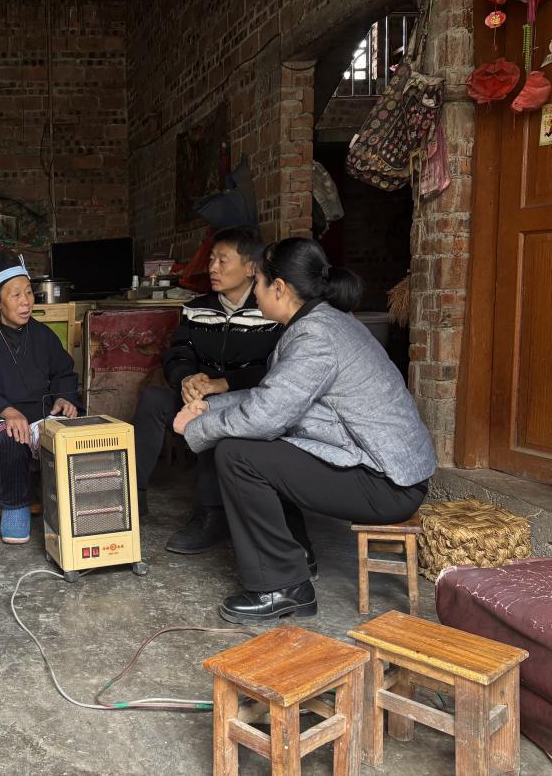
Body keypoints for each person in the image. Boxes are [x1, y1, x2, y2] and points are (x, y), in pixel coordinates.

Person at [173, 237, 435, 625]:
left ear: (279, 288)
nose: (255, 293)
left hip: (386, 483)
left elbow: (265, 416)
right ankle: (296, 555)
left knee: (238, 454)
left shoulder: (316, 336)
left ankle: (282, 586)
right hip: (379, 470)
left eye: (259, 283)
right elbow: (274, 397)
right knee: (257, 444)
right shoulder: (318, 323)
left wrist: (199, 426)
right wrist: (210, 407)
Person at [132, 226, 282, 553]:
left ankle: (211, 514)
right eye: (211, 259)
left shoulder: (270, 310)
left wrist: (225, 383)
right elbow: (178, 352)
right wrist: (186, 379)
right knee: (154, 400)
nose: (212, 267)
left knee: (217, 420)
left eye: (222, 260)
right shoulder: (197, 308)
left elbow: (276, 367)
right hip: (198, 395)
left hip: (245, 402)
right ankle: (132, 497)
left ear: (251, 267)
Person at [0, 253, 82, 544]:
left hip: (42, 413)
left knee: (72, 431)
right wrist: (8, 411)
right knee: (12, 436)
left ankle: (70, 507)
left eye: (28, 293)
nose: (26, 301)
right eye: (15, 295)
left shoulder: (43, 335)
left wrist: (64, 398)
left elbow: (64, 372)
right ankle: (15, 507)